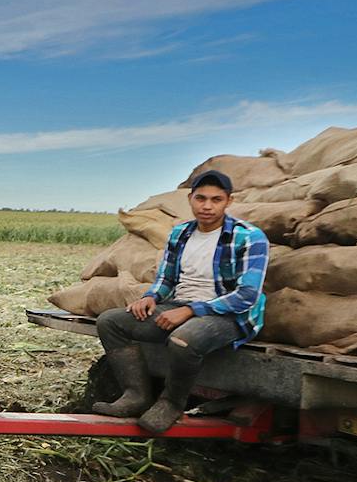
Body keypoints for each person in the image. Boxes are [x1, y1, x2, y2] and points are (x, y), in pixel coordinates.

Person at [92, 169, 269, 434]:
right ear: (190, 199)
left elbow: (247, 296)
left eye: (216, 199)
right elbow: (167, 279)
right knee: (110, 322)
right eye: (201, 198)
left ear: (228, 201)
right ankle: (136, 395)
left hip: (228, 315)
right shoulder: (181, 234)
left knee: (182, 340)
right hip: (181, 305)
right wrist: (151, 297)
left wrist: (191, 310)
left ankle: (171, 403)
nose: (207, 206)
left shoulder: (249, 237)